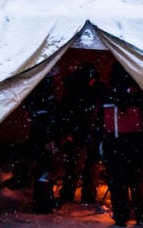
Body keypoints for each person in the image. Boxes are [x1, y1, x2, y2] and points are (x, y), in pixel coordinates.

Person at [100, 63, 143, 226]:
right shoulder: (137, 95)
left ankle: (123, 214)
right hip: (131, 143)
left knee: (119, 182)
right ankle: (140, 214)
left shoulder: (108, 95)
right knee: (135, 181)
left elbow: (99, 121)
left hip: (117, 143)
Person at [57, 63, 106, 204]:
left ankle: (83, 194)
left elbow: (66, 111)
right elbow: (67, 111)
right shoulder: (79, 91)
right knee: (76, 165)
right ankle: (74, 194)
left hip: (86, 133)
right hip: (81, 133)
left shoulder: (80, 90)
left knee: (84, 165)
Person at [23, 69, 60, 213]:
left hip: (38, 138)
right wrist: (50, 138)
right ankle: (44, 203)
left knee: (42, 170)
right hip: (43, 139)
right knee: (44, 170)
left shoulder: (36, 94)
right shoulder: (47, 96)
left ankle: (42, 201)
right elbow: (49, 120)